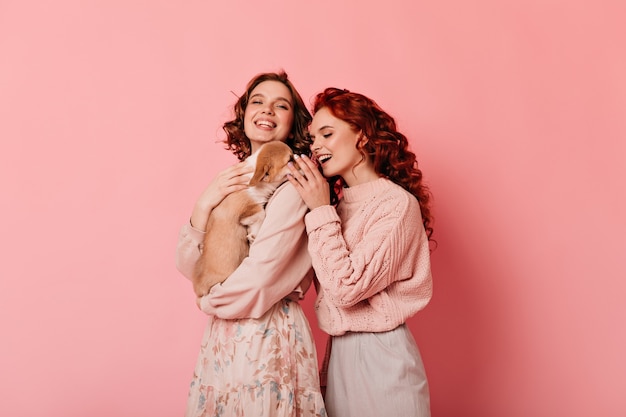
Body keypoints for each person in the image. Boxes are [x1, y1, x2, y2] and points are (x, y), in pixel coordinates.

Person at [175, 71, 326, 417]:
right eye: (257, 101)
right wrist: (204, 203)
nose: (267, 110)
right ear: (243, 115)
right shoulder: (231, 179)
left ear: (295, 122)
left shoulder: (297, 181)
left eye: (281, 105)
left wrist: (210, 300)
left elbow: (263, 276)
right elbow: (190, 266)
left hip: (268, 331)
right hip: (224, 338)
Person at [286, 87, 435, 417]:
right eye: (313, 139)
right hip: (339, 354)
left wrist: (320, 209)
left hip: (382, 355)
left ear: (363, 136)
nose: (317, 147)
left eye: (327, 133)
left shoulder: (396, 205)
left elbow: (345, 289)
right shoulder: (335, 208)